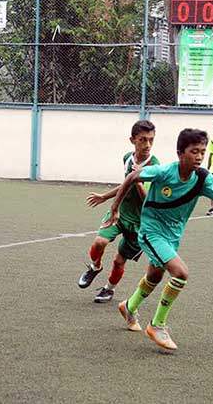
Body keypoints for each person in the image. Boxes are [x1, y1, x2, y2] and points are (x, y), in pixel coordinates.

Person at [107, 128, 213, 350]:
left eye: (202, 152)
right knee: (180, 273)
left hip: (173, 235)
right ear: (180, 153)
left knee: (154, 275)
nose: (200, 157)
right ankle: (157, 325)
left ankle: (129, 306)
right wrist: (115, 207)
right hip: (151, 231)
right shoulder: (164, 171)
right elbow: (133, 177)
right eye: (194, 152)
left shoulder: (204, 178)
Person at [79, 120, 160, 303]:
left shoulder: (155, 166)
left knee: (119, 261)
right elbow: (125, 185)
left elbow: (148, 198)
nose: (147, 145)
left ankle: (109, 289)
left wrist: (139, 178)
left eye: (151, 140)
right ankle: (95, 267)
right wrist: (105, 197)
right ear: (132, 140)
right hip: (120, 212)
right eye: (143, 140)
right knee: (100, 241)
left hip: (140, 222)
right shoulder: (127, 158)